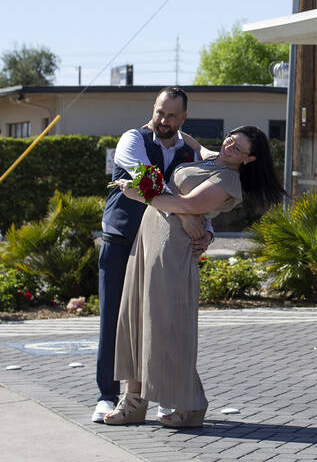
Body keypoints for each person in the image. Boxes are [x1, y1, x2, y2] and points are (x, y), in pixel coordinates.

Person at [103, 125, 285, 428]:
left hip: (171, 251)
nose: (230, 146)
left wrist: (141, 195)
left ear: (250, 160)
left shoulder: (228, 180)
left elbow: (188, 205)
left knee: (165, 327)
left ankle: (190, 404)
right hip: (148, 240)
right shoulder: (213, 157)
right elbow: (191, 142)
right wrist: (164, 124)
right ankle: (132, 401)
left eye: (238, 148)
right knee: (134, 319)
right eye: (230, 138)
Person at [92, 87, 210, 423]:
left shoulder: (191, 156)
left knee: (163, 322)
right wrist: (188, 213)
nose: (163, 120)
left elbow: (209, 199)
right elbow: (149, 181)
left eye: (172, 115)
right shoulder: (132, 139)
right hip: (122, 242)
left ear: (183, 118)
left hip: (164, 249)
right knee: (114, 319)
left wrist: (207, 233)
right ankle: (107, 395)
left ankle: (163, 395)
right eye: (160, 112)